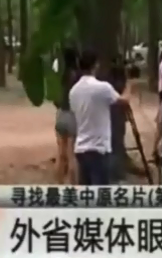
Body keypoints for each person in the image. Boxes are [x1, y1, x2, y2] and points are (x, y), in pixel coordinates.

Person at [69, 49, 131, 185]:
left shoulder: (73, 91)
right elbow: (124, 101)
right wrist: (129, 83)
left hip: (81, 149)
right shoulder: (102, 88)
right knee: (100, 192)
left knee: (86, 192)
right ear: (95, 65)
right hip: (98, 149)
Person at [53, 47, 79, 184]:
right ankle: (73, 187)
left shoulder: (60, 76)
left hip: (60, 114)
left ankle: (59, 185)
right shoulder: (77, 76)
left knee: (60, 154)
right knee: (71, 155)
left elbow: (56, 99)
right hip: (72, 115)